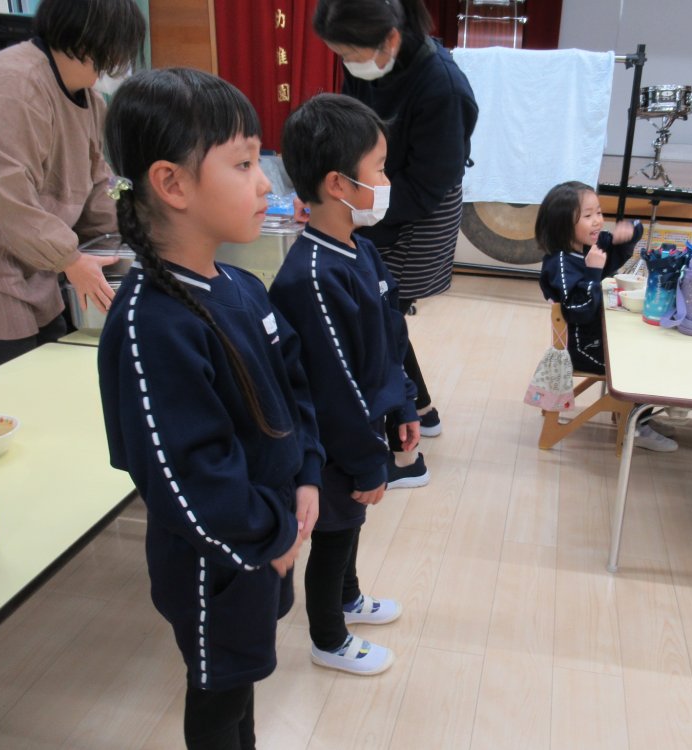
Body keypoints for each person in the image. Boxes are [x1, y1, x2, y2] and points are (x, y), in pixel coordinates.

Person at [97, 68, 324, 749]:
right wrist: (271, 537)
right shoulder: (152, 323)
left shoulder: (241, 286)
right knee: (220, 689)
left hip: (266, 535)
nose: (265, 186)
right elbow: (187, 479)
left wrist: (308, 472)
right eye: (244, 164)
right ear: (172, 184)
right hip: (214, 561)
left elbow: (294, 388)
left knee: (244, 673)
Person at [272, 93, 418, 676]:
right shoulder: (310, 276)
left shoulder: (361, 251)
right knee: (333, 533)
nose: (386, 182)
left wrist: (404, 406)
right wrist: (365, 462)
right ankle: (328, 638)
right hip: (333, 441)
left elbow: (391, 340)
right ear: (338, 183)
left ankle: (350, 598)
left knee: (352, 523)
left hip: (363, 429)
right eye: (378, 169)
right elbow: (333, 387)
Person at [312, 0, 479, 485]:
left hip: (416, 210)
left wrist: (357, 206)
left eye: (352, 52)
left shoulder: (443, 87)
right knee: (384, 318)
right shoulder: (369, 63)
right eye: (340, 53)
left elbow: (428, 186)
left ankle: (406, 456)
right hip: (368, 198)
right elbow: (349, 130)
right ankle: (420, 410)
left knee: (381, 318)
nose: (348, 62)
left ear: (389, 38)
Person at [0, 0, 146, 374]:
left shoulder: (88, 99)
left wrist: (134, 233)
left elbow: (97, 184)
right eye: (119, 48)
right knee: (17, 384)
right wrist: (71, 260)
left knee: (54, 369)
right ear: (89, 40)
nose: (121, 61)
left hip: (35, 261)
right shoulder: (13, 86)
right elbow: (9, 195)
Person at [536, 180, 678, 453]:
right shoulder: (560, 263)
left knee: (648, 343)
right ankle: (636, 425)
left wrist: (630, 234)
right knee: (643, 360)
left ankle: (637, 414)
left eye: (599, 212)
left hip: (597, 338)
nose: (598, 221)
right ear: (562, 223)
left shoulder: (586, 244)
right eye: (588, 215)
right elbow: (578, 311)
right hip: (583, 349)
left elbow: (613, 256)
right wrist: (592, 272)